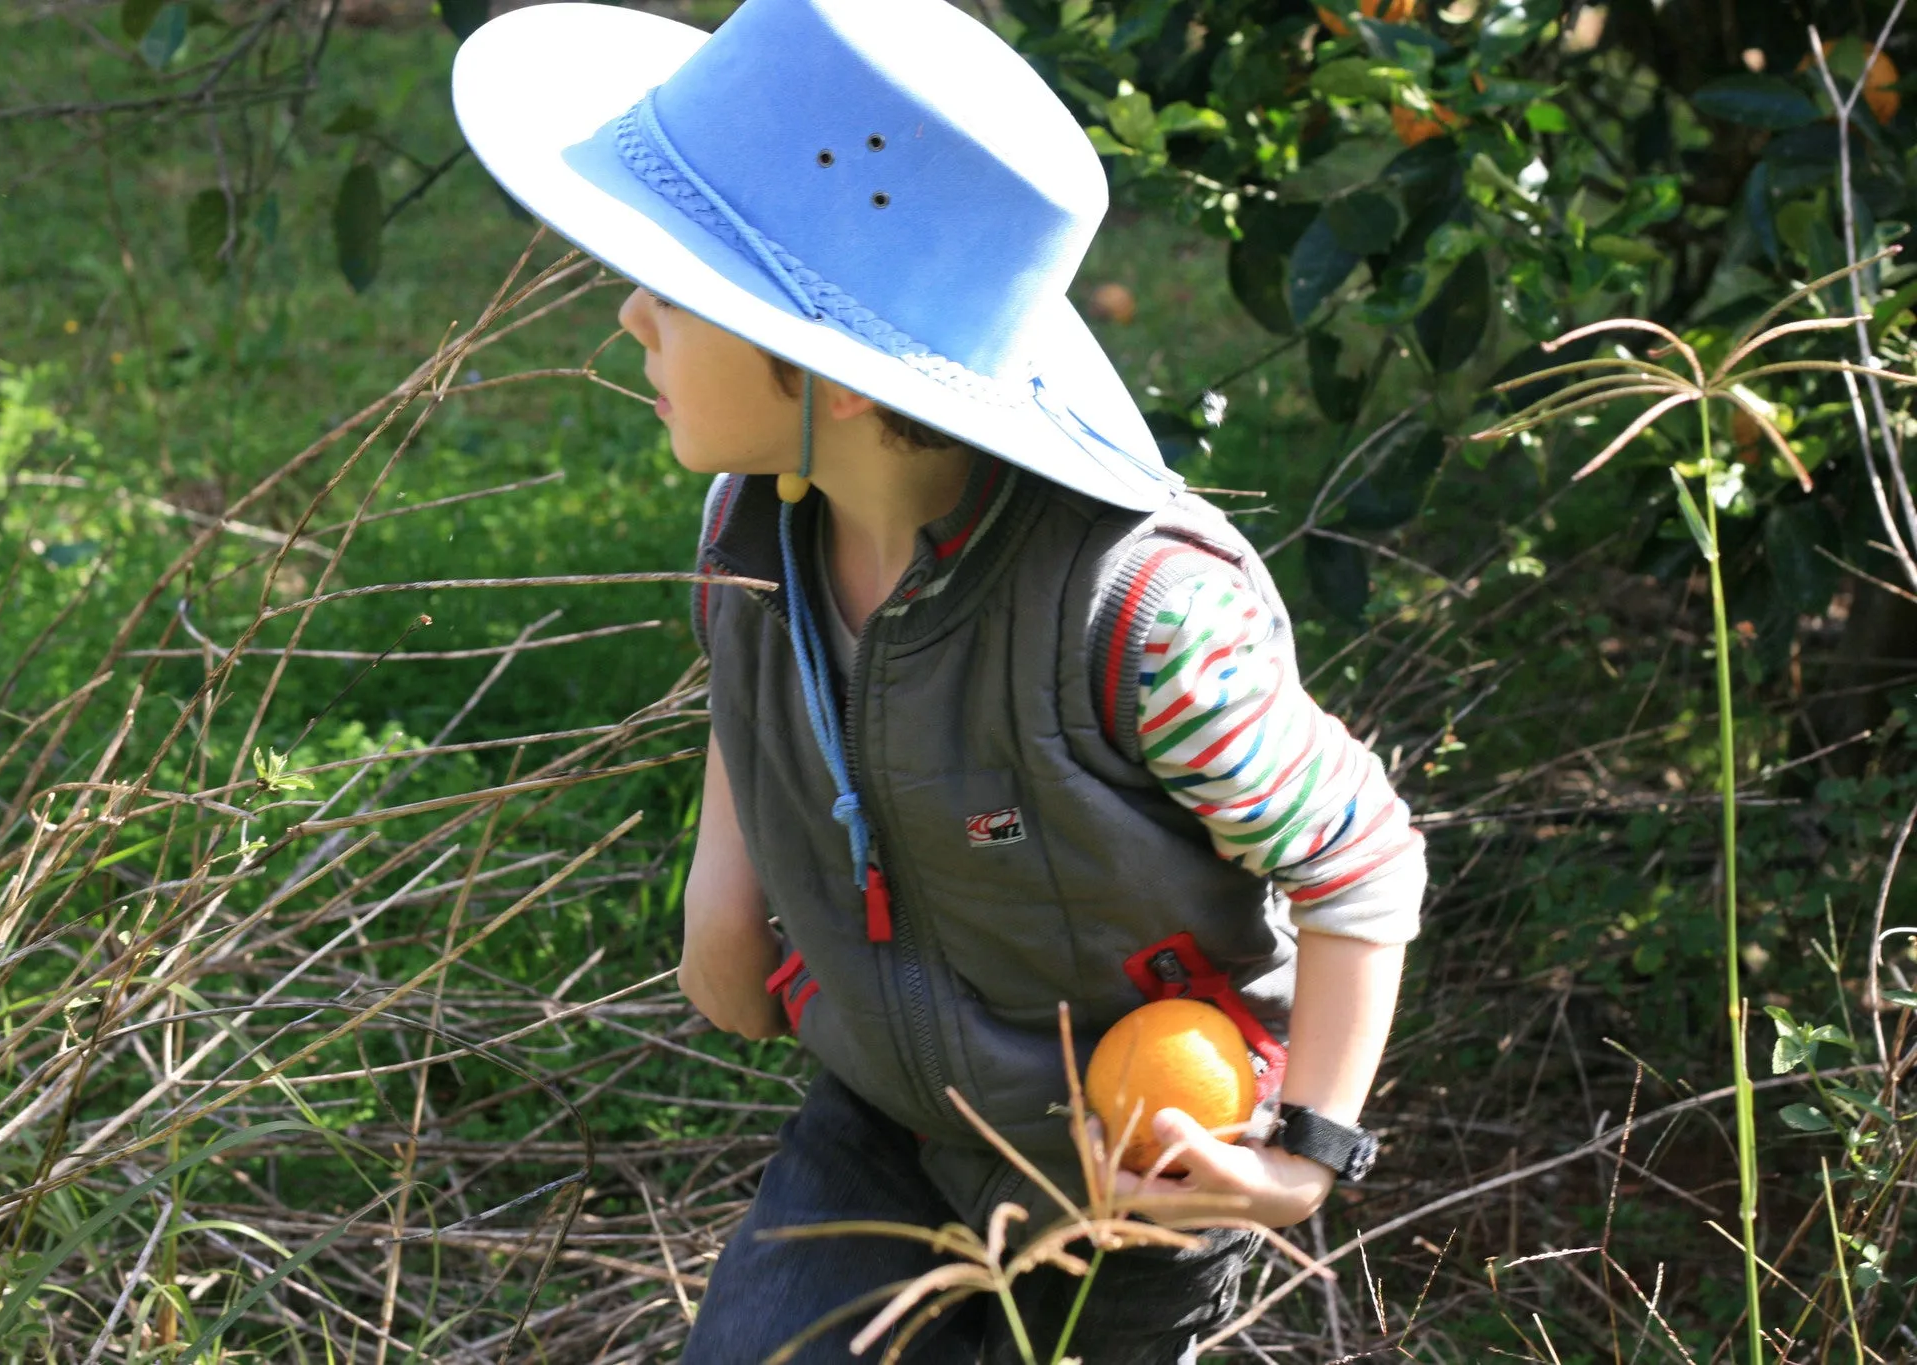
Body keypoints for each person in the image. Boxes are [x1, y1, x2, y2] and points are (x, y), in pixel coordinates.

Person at [454, 1, 1424, 1359]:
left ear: (833, 374)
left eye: (675, 290)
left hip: (1132, 1163)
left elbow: (1360, 862)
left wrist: (1309, 1150)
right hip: (885, 1122)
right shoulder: (753, 526)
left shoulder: (1142, 619)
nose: (629, 316)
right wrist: (721, 899)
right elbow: (765, 694)